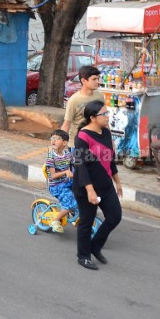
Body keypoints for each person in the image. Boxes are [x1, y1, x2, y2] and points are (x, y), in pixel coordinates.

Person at [72, 100, 124, 270]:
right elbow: (81, 166)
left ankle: (95, 246)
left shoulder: (106, 133)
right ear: (93, 117)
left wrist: (117, 181)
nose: (108, 116)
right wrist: (90, 190)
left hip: (106, 185)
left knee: (115, 217)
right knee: (86, 222)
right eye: (104, 114)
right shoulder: (82, 137)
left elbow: (110, 159)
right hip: (86, 187)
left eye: (107, 113)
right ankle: (83, 256)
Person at [45, 129, 78, 233]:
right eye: (52, 138)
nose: (53, 141)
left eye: (56, 139)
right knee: (69, 203)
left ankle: (76, 210)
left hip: (67, 182)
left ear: (64, 143)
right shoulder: (51, 157)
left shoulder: (67, 153)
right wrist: (65, 172)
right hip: (56, 186)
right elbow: (53, 175)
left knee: (83, 189)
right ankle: (55, 221)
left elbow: (76, 164)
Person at [62, 65, 104, 142]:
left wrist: (110, 141)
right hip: (78, 143)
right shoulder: (74, 100)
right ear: (84, 81)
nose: (97, 82)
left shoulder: (99, 96)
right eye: (94, 79)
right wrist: (60, 143)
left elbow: (104, 119)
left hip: (97, 142)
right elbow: (67, 123)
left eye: (98, 79)